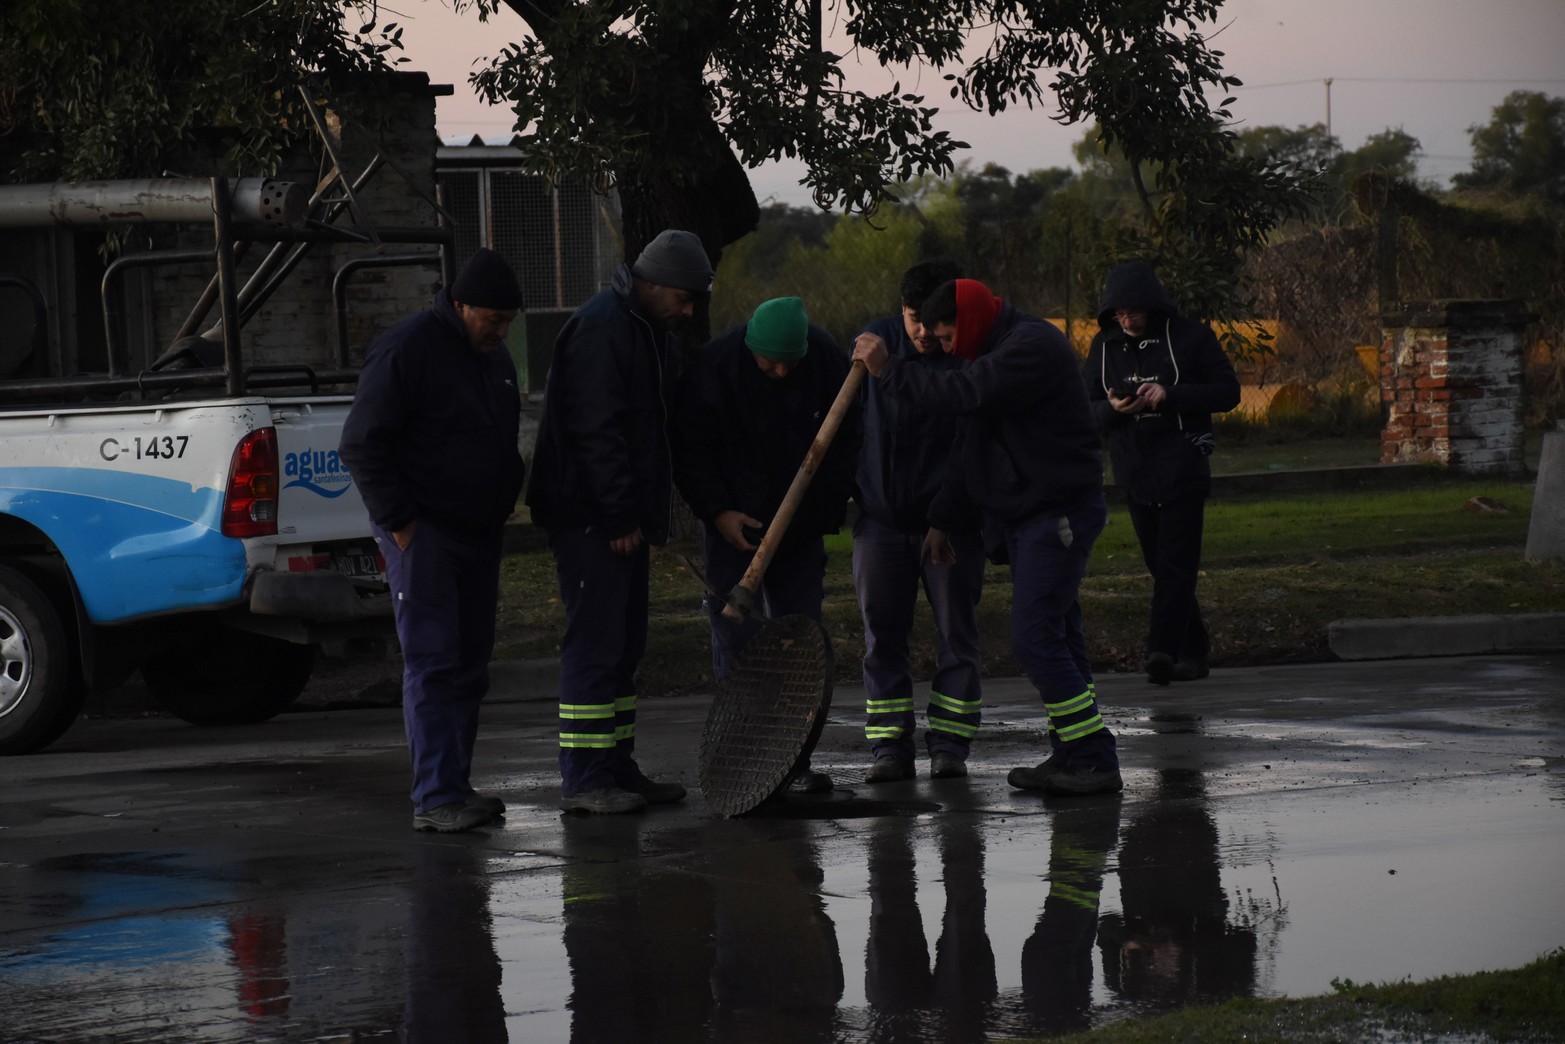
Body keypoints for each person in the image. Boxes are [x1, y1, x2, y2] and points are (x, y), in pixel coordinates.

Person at [852, 278, 1120, 797]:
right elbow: (969, 449)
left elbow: (963, 393)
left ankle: (1093, 759)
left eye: (947, 336)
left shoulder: (1028, 346)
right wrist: (943, 518)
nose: (946, 348)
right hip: (1029, 519)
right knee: (1060, 637)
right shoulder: (995, 354)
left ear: (969, 322)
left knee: (1035, 637)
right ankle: (1074, 753)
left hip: (1054, 515)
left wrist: (890, 371)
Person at [526, 229, 714, 815]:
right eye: (683, 298)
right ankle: (586, 777)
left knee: (624, 646)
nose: (688, 312)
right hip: (591, 519)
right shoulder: (604, 328)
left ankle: (616, 766)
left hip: (617, 518)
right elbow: (596, 430)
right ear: (654, 284)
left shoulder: (645, 331)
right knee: (596, 644)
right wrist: (618, 515)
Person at [339, 247, 527, 833]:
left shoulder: (492, 358)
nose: (501, 332)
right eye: (492, 319)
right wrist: (401, 522)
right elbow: (361, 442)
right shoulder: (409, 349)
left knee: (469, 663)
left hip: (477, 531)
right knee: (434, 660)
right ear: (461, 304)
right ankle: (436, 796)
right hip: (426, 534)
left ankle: (455, 786)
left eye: (508, 321)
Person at [670, 296, 861, 794]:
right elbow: (692, 450)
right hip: (736, 523)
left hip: (799, 523)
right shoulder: (714, 369)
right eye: (768, 363)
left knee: (800, 637)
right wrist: (718, 511)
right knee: (738, 641)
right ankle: (743, 756)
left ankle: (793, 762)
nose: (779, 372)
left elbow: (848, 438)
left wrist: (820, 508)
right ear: (750, 346)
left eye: (788, 363)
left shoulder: (824, 359)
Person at [852, 260, 985, 784]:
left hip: (952, 525)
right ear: (901, 310)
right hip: (881, 521)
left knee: (957, 634)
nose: (926, 333)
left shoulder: (969, 357)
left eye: (935, 323)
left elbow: (972, 448)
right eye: (914, 319)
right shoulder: (873, 346)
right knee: (882, 636)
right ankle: (889, 747)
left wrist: (947, 517)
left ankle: (950, 746)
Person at [1085, 261, 1241, 685]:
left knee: (1176, 561)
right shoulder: (1104, 347)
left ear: (1152, 305)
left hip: (1183, 461)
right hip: (1133, 468)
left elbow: (1228, 392)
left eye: (1133, 312)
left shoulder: (1192, 337)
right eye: (1119, 314)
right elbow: (1084, 407)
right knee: (1161, 563)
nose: (1126, 321)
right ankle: (1195, 650)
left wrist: (1169, 394)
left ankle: (1161, 650)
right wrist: (1112, 409)